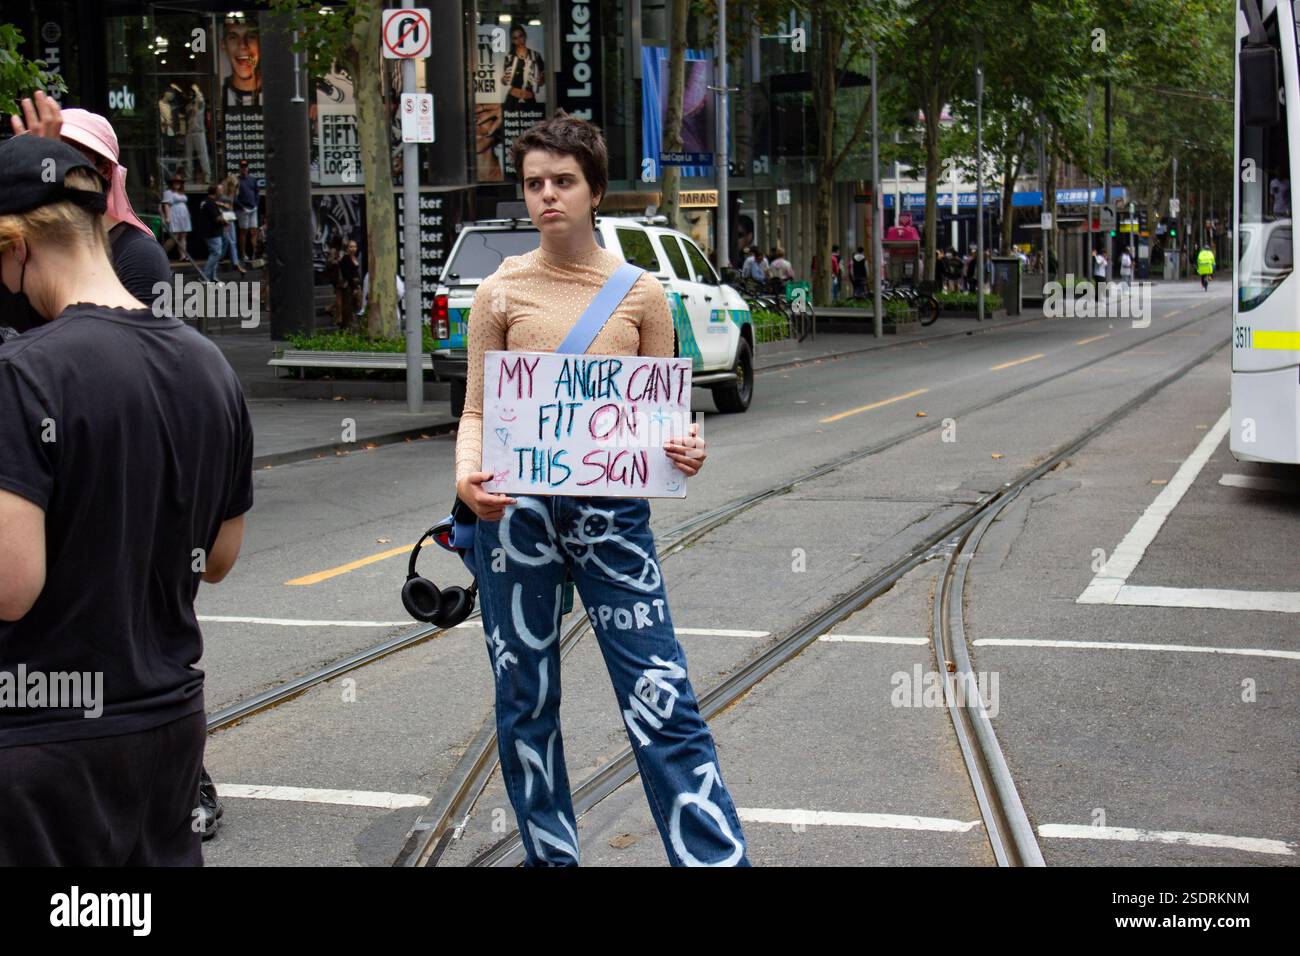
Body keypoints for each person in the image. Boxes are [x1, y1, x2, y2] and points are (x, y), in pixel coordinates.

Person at [453, 111, 748, 867]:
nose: (546, 196)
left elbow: (669, 417)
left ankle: (715, 860)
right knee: (526, 705)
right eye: (533, 183)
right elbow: (479, 411)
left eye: (563, 181)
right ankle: (552, 860)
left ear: (595, 191)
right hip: (514, 517)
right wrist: (465, 475)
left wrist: (687, 445)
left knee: (662, 692)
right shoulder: (498, 292)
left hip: (613, 517)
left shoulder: (643, 295)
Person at [0, 135, 253, 864]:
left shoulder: (23, 375)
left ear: (16, 243)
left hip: (41, 739)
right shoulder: (208, 366)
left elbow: (12, 587)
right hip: (167, 726)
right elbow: (221, 557)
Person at [221, 16, 261, 107]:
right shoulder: (220, 90)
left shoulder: (273, 88)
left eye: (251, 37)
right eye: (233, 37)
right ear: (223, 44)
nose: (242, 45)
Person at [161, 175, 192, 261]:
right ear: (172, 183)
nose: (177, 184)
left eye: (179, 182)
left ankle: (183, 256)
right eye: (176, 182)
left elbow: (184, 204)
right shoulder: (168, 192)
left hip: (184, 216)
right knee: (174, 236)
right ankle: (162, 253)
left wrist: (188, 213)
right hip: (175, 215)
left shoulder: (181, 193)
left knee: (183, 235)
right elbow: (166, 204)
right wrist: (167, 217)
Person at [235, 159, 259, 263]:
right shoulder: (237, 180)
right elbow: (234, 197)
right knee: (243, 232)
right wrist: (241, 206)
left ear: (247, 168)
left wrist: (256, 204)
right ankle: (243, 254)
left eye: (245, 167)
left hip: (253, 208)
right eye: (242, 167)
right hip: (243, 209)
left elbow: (257, 192)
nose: (244, 168)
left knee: (253, 231)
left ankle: (254, 253)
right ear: (240, 168)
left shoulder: (252, 180)